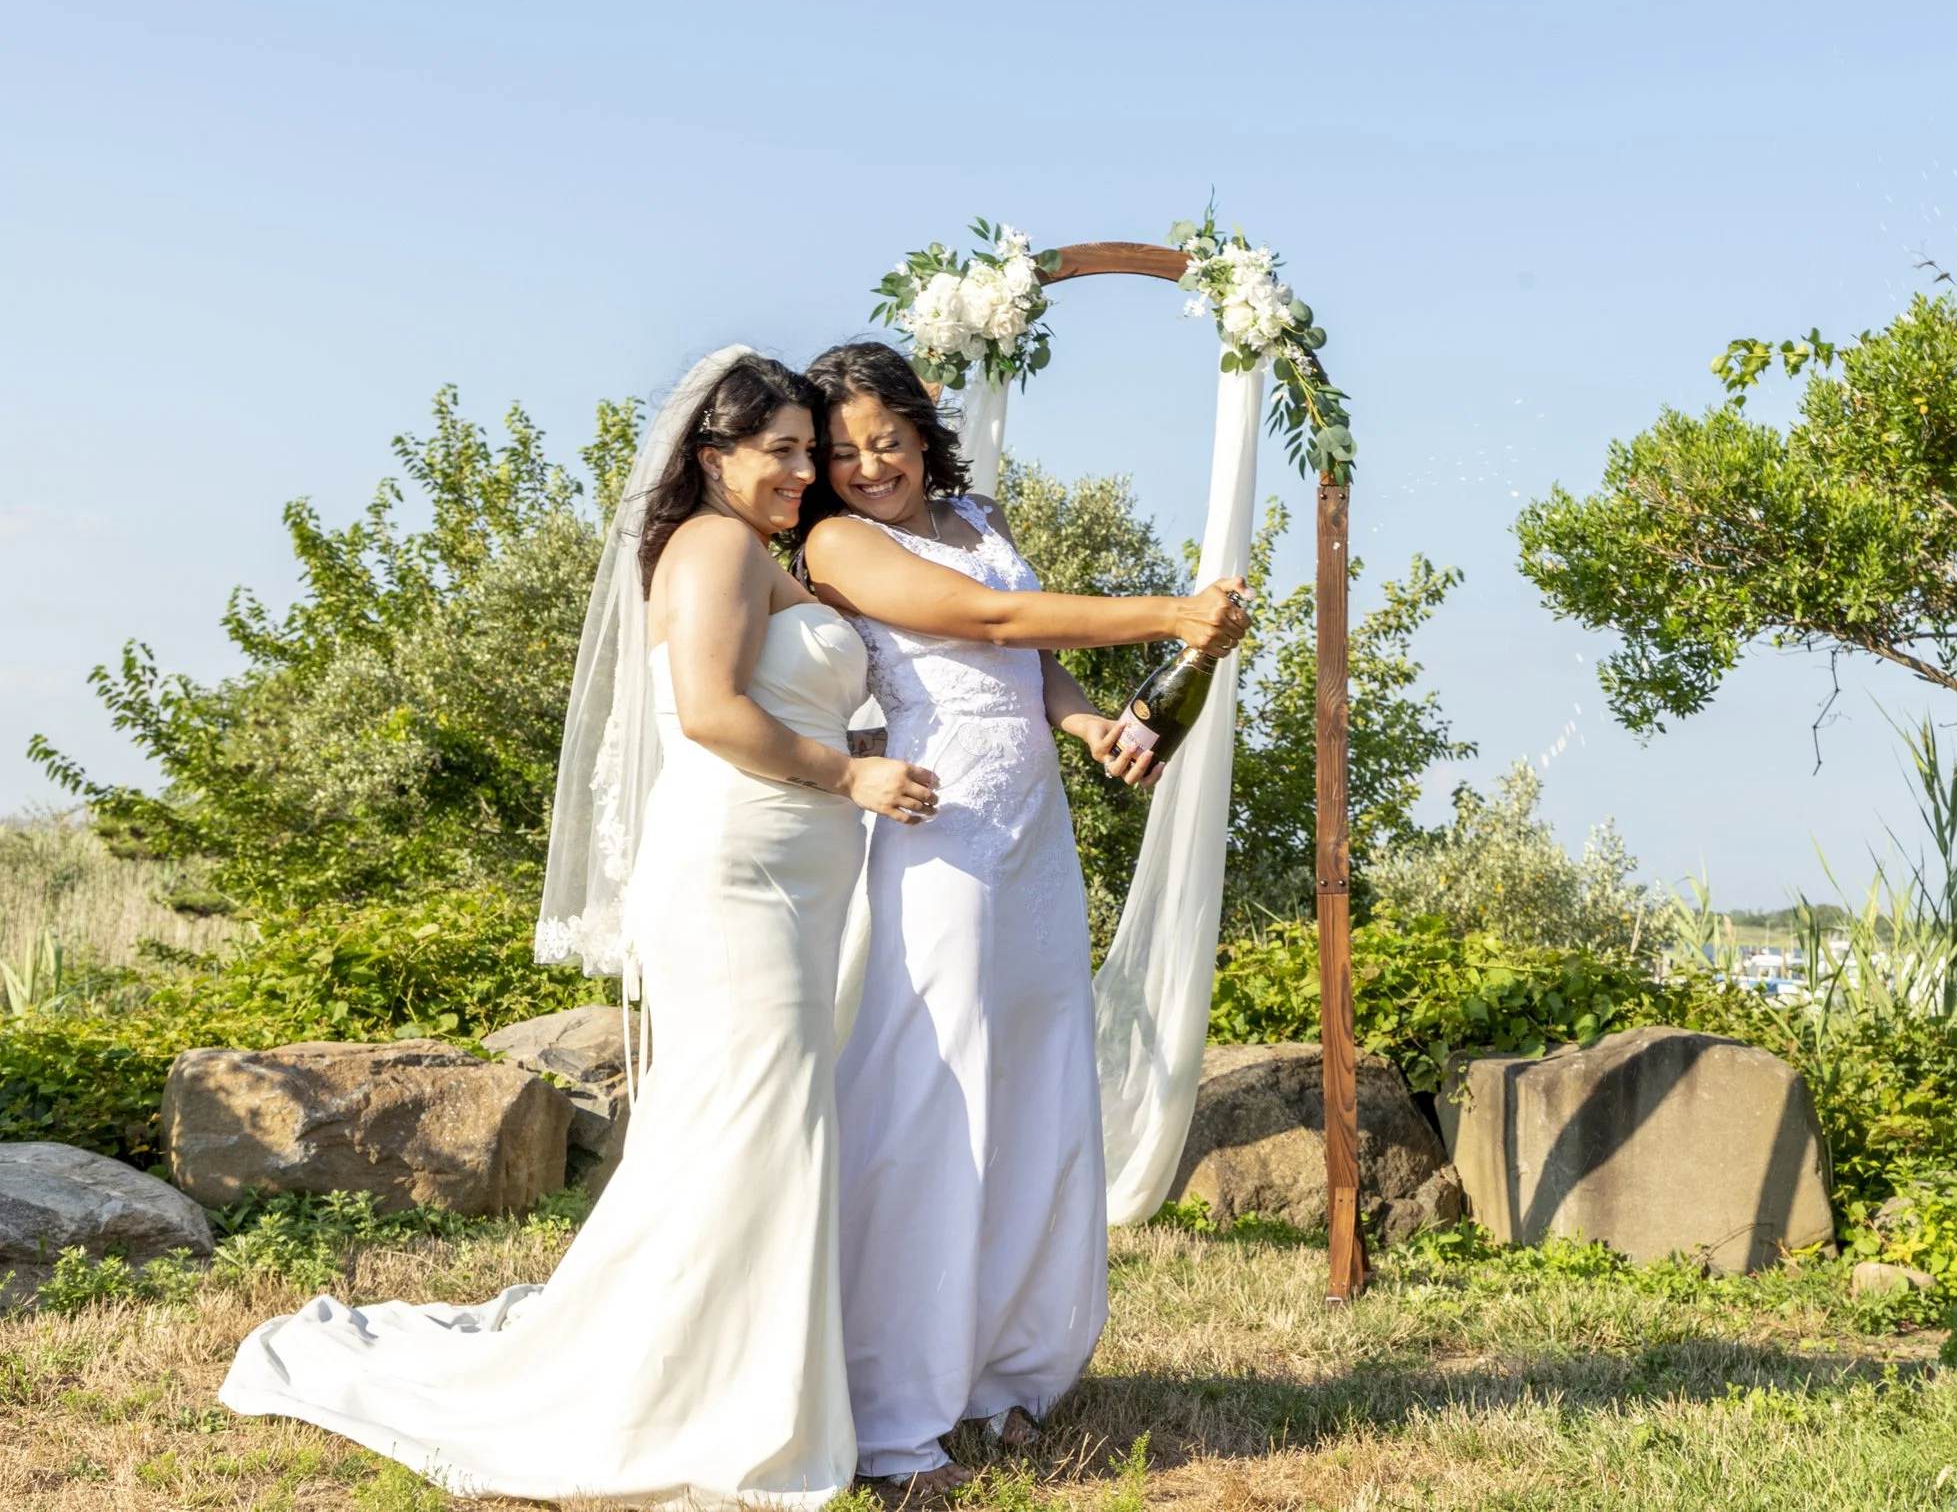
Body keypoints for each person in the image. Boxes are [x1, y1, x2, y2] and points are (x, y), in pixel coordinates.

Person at [219, 349, 936, 1506]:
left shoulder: (754, 552)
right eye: (783, 451)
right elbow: (708, 712)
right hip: (736, 875)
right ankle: (714, 1405)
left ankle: (736, 1384)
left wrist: (855, 761)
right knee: (759, 1124)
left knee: (748, 1129)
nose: (807, 471)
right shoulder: (710, 545)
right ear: (713, 456)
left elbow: (781, 704)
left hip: (794, 871)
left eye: (812, 449)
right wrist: (847, 778)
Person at [797, 340, 1248, 1494]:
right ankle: (894, 1402)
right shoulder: (837, 541)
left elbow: (1027, 653)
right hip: (937, 830)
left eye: (886, 440)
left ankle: (1001, 1370)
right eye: (842, 451)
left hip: (1031, 832)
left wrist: (1093, 724)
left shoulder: (975, 512)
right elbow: (983, 625)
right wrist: (1167, 612)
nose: (866, 466)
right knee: (936, 1090)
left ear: (922, 424)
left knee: (1033, 1083)